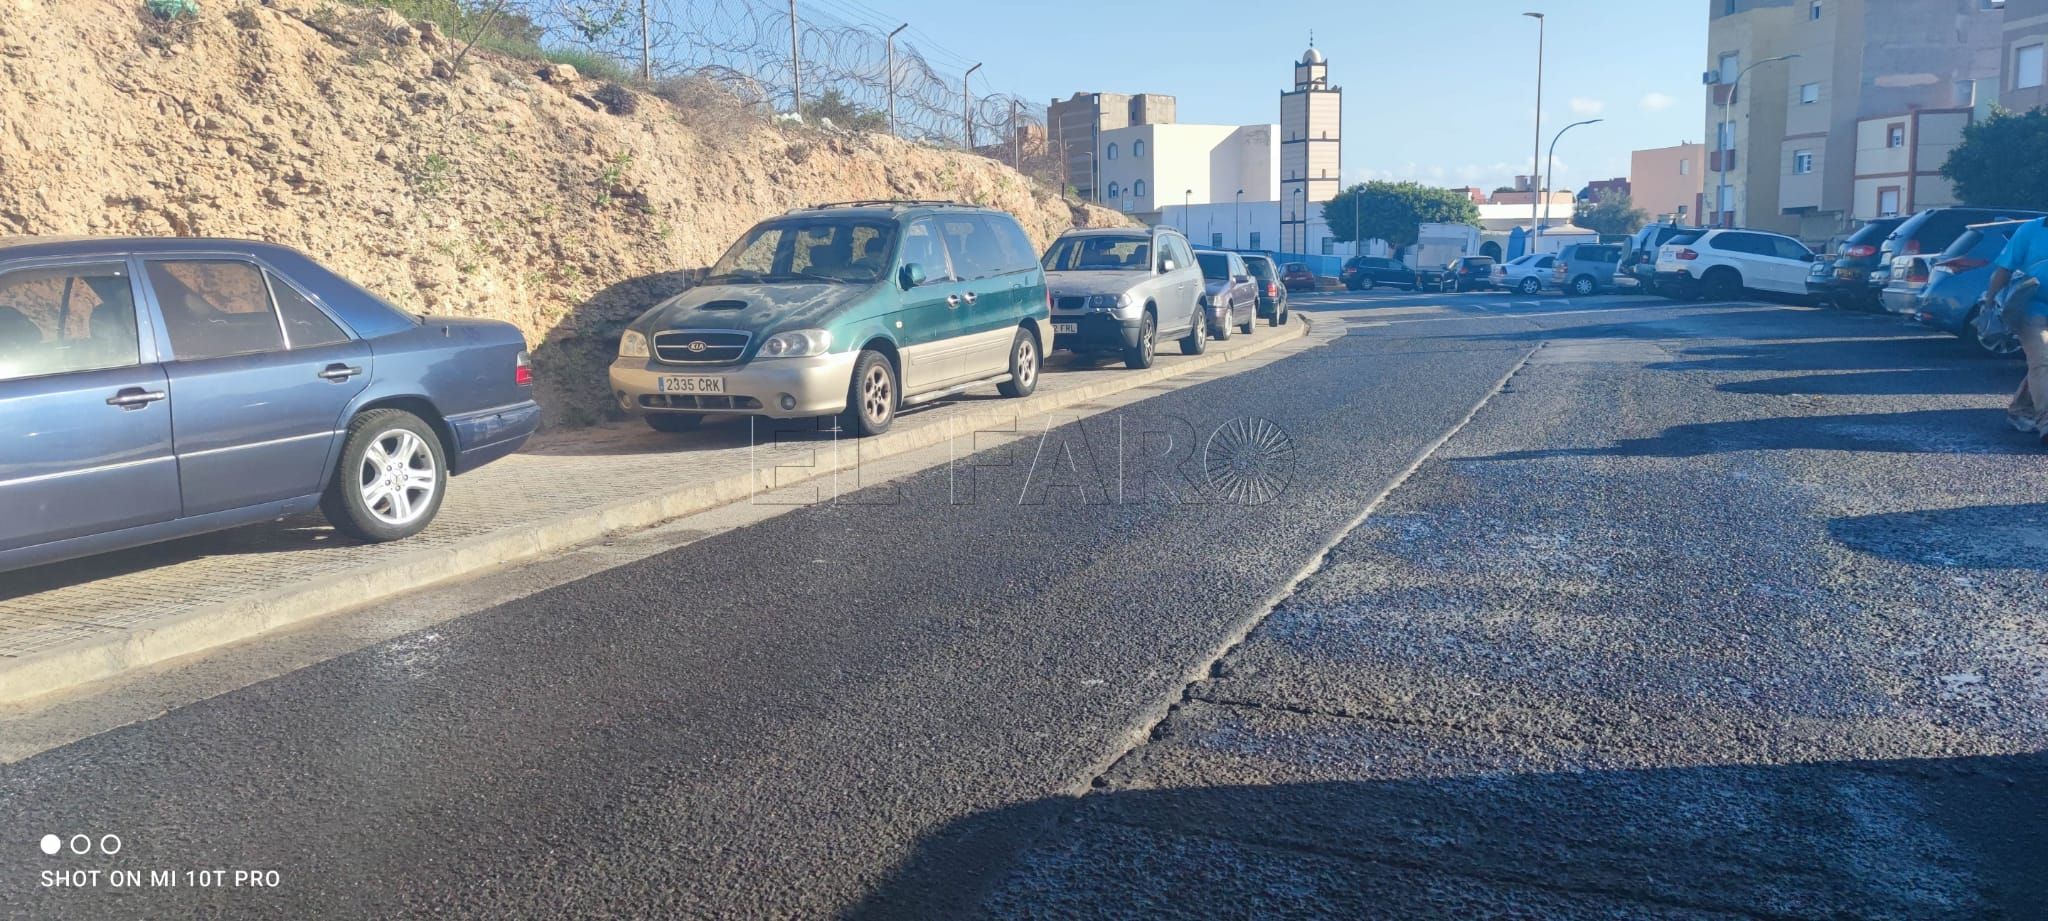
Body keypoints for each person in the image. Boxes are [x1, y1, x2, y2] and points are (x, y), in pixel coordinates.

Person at [1984, 216, 2048, 445]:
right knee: (2042, 359)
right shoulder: (2030, 230)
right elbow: (2005, 268)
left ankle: (2020, 410)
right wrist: (1989, 300)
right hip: (2033, 307)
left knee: (2041, 364)